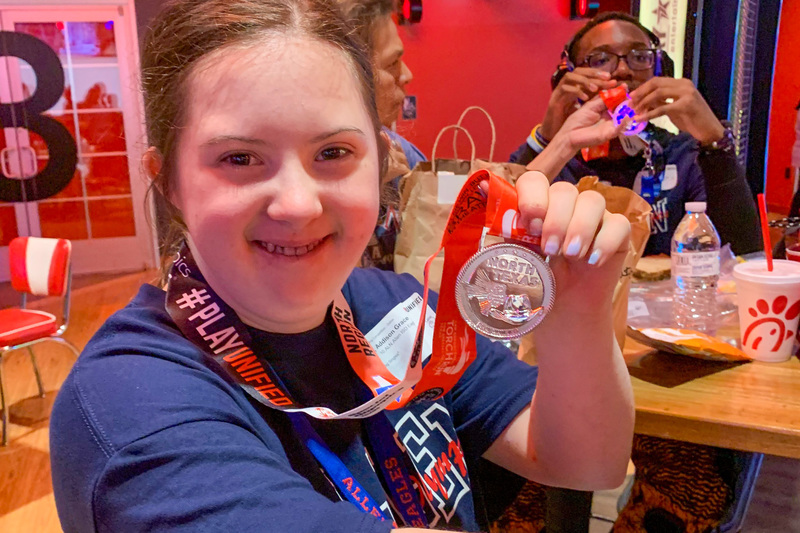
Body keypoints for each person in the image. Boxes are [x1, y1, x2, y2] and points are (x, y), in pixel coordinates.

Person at [49, 1, 634, 532]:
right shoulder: (131, 405)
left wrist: (577, 309)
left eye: (332, 153)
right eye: (239, 158)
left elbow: (584, 460)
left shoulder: (396, 307)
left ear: (379, 162)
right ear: (168, 180)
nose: (298, 204)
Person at [509, 11, 761, 258]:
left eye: (640, 57)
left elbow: (742, 254)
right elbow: (499, 237)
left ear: (660, 73)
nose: (623, 70)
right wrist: (550, 138)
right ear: (569, 78)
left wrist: (714, 141)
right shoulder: (556, 156)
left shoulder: (683, 155)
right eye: (601, 59)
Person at [340, 0, 425, 270]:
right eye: (393, 63)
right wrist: (366, 189)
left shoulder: (399, 149)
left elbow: (453, 200)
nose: (408, 75)